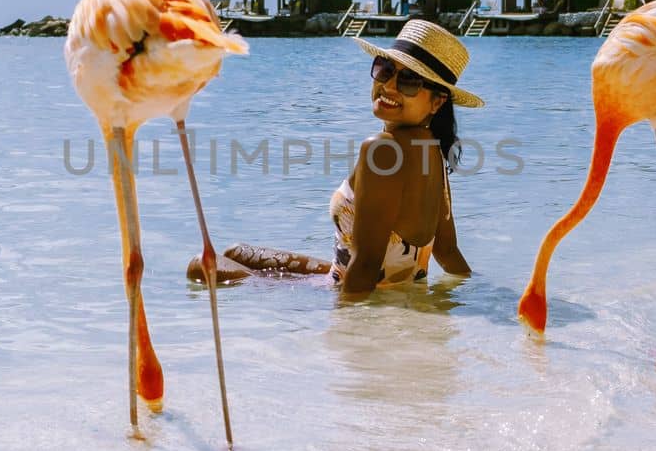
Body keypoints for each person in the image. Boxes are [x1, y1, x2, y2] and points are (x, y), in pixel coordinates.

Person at [188, 20, 483, 299]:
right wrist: (476, 296)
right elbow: (447, 251)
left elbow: (366, 266)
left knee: (201, 264)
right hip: (369, 277)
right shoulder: (433, 149)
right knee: (236, 251)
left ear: (437, 101)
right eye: (385, 70)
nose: (389, 86)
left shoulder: (382, 150)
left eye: (408, 81)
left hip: (348, 287)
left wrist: (345, 334)